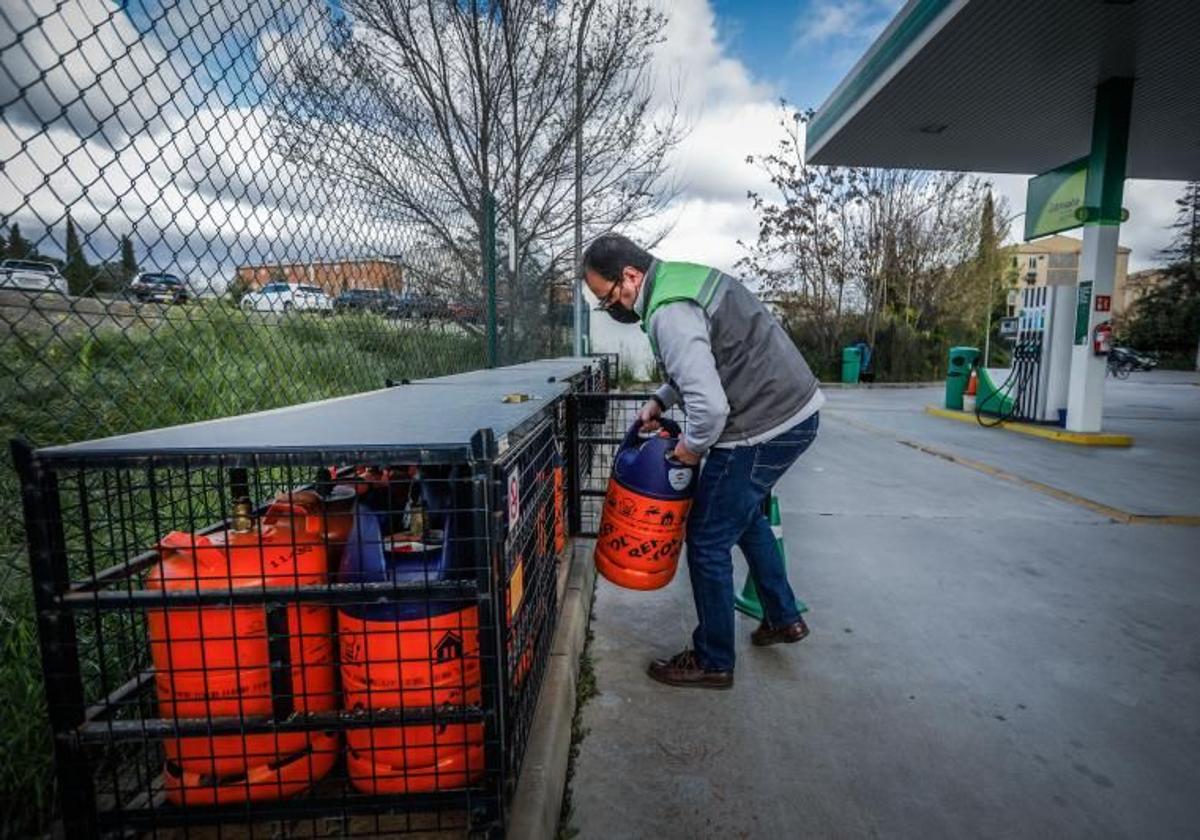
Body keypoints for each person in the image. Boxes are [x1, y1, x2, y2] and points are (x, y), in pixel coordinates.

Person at [582, 232, 824, 690]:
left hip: (762, 425)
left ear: (630, 276)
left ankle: (714, 660)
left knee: (708, 539)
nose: (610, 306)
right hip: (793, 412)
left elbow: (711, 408)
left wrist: (689, 449)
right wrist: (661, 399)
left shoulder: (668, 312)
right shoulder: (679, 281)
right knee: (745, 516)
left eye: (607, 295)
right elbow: (703, 361)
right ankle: (783, 616)